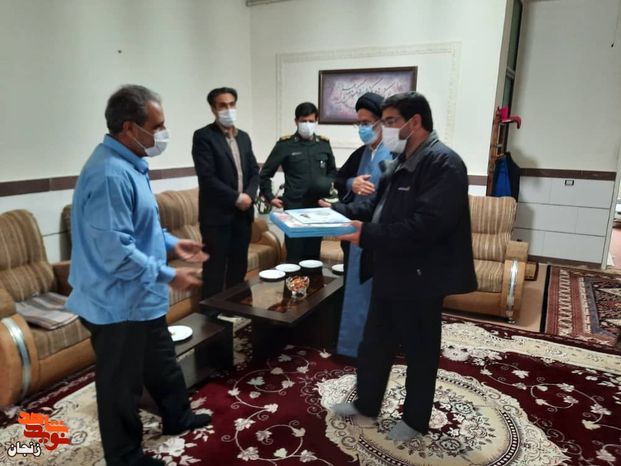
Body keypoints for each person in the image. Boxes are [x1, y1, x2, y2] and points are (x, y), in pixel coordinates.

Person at [67, 85, 212, 466]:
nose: (163, 133)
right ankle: (125, 457)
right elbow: (116, 251)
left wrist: (174, 244)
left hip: (139, 296)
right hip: (116, 303)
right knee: (121, 385)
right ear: (130, 128)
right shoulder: (109, 174)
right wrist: (168, 274)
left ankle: (178, 416)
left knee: (161, 361)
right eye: (157, 126)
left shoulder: (130, 164)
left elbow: (141, 228)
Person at [329, 91, 477, 441]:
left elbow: (426, 227)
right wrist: (332, 213)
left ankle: (414, 420)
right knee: (374, 344)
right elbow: (374, 209)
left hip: (422, 276)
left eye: (391, 121)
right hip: (389, 269)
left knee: (419, 350)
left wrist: (365, 234)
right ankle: (366, 403)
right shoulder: (399, 160)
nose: (385, 129)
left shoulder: (444, 164)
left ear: (415, 122)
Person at [331, 92, 393, 358]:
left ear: (382, 122)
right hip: (353, 232)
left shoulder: (395, 154)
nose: (363, 128)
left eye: (367, 123)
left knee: (378, 295)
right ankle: (352, 344)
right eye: (359, 123)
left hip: (380, 236)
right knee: (353, 288)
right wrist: (351, 183)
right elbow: (338, 178)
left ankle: (375, 346)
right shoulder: (360, 154)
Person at [192, 87, 259, 299]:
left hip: (243, 215)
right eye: (222, 105)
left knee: (238, 267)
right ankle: (211, 315)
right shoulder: (204, 136)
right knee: (214, 269)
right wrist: (236, 198)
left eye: (231, 104)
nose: (228, 109)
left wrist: (249, 196)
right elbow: (207, 177)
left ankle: (235, 309)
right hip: (217, 217)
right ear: (213, 109)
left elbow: (254, 172)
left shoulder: (244, 137)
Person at [259, 102, 336, 263]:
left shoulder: (323, 144)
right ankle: (295, 281)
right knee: (295, 256)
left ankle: (313, 281)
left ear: (316, 121)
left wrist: (327, 189)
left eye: (311, 121)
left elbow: (332, 172)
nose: (307, 124)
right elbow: (265, 174)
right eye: (303, 121)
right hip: (295, 207)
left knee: (313, 257)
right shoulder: (285, 145)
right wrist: (270, 197)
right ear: (296, 121)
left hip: (317, 208)